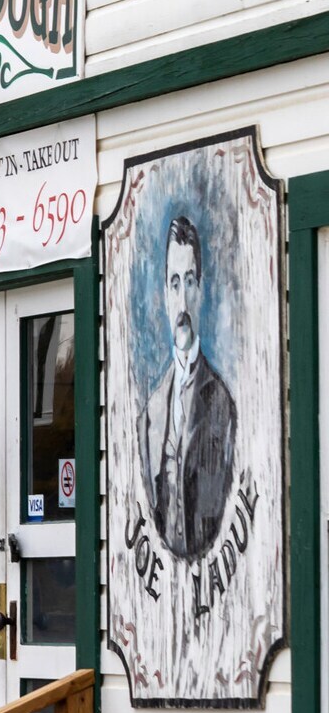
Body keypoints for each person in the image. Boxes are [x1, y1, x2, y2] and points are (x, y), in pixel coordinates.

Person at [138, 214, 236, 557]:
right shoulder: (149, 414)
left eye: (190, 281)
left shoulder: (222, 403)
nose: (182, 303)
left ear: (202, 289)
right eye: (175, 282)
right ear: (165, 293)